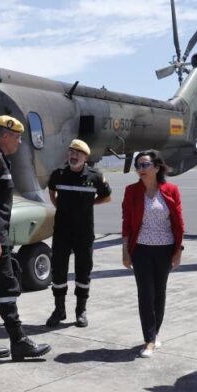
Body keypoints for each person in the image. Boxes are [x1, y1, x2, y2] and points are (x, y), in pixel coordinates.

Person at [0, 115, 50, 361]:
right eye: (16, 137)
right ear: (5, 136)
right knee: (8, 284)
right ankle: (19, 341)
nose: (20, 142)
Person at [121, 149, 184, 358]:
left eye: (145, 165)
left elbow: (179, 223)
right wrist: (125, 252)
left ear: (157, 168)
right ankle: (148, 340)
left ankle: (155, 333)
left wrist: (178, 251)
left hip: (165, 249)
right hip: (141, 250)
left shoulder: (171, 190)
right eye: (138, 166)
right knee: (145, 294)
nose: (140, 169)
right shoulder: (131, 191)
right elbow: (127, 224)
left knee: (159, 293)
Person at [45, 138, 111, 328]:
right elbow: (51, 191)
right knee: (58, 271)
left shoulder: (94, 176)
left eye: (78, 153)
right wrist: (59, 205)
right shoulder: (58, 174)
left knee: (83, 271)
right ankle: (59, 310)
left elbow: (106, 197)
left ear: (86, 157)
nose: (74, 156)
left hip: (84, 232)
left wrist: (90, 203)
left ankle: (80, 311)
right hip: (62, 231)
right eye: (71, 152)